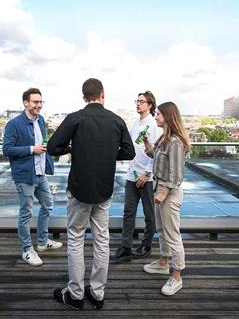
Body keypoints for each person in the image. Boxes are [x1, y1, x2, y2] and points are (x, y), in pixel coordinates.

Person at [48, 78, 135, 310]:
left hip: (79, 188)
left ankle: (75, 294)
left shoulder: (75, 118)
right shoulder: (117, 121)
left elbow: (53, 147)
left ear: (84, 96)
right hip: (104, 189)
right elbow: (129, 151)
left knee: (76, 238)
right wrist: (107, 155)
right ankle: (97, 293)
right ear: (102, 94)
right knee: (102, 239)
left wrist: (73, 149)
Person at [3, 88, 62, 266]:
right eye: (35, 102)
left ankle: (43, 242)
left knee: (48, 204)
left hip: (40, 173)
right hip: (25, 176)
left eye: (40, 102)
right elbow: (7, 149)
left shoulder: (41, 120)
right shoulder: (14, 124)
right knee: (26, 212)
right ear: (26, 103)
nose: (38, 105)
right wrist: (31, 149)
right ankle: (27, 250)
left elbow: (43, 145)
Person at [141, 101, 190, 296]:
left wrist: (163, 192)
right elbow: (157, 158)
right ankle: (163, 262)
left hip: (169, 194)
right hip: (160, 191)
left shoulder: (176, 142)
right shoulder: (165, 139)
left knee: (172, 234)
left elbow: (176, 175)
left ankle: (177, 276)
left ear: (168, 117)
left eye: (159, 114)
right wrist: (146, 144)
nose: (155, 117)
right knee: (161, 229)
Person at [111, 91, 160, 263]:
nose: (138, 104)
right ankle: (125, 248)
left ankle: (146, 245)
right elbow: (130, 148)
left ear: (150, 105)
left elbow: (156, 153)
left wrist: (147, 174)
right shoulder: (135, 123)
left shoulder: (154, 125)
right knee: (128, 212)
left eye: (142, 101)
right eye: (137, 101)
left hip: (146, 178)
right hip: (132, 176)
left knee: (149, 214)